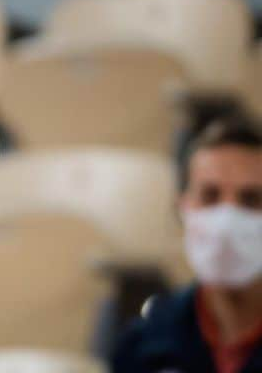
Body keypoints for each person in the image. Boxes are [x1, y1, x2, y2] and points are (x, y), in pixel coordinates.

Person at [111, 115, 262, 373]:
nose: (227, 220)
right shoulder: (142, 343)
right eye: (210, 196)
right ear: (181, 209)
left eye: (250, 199)